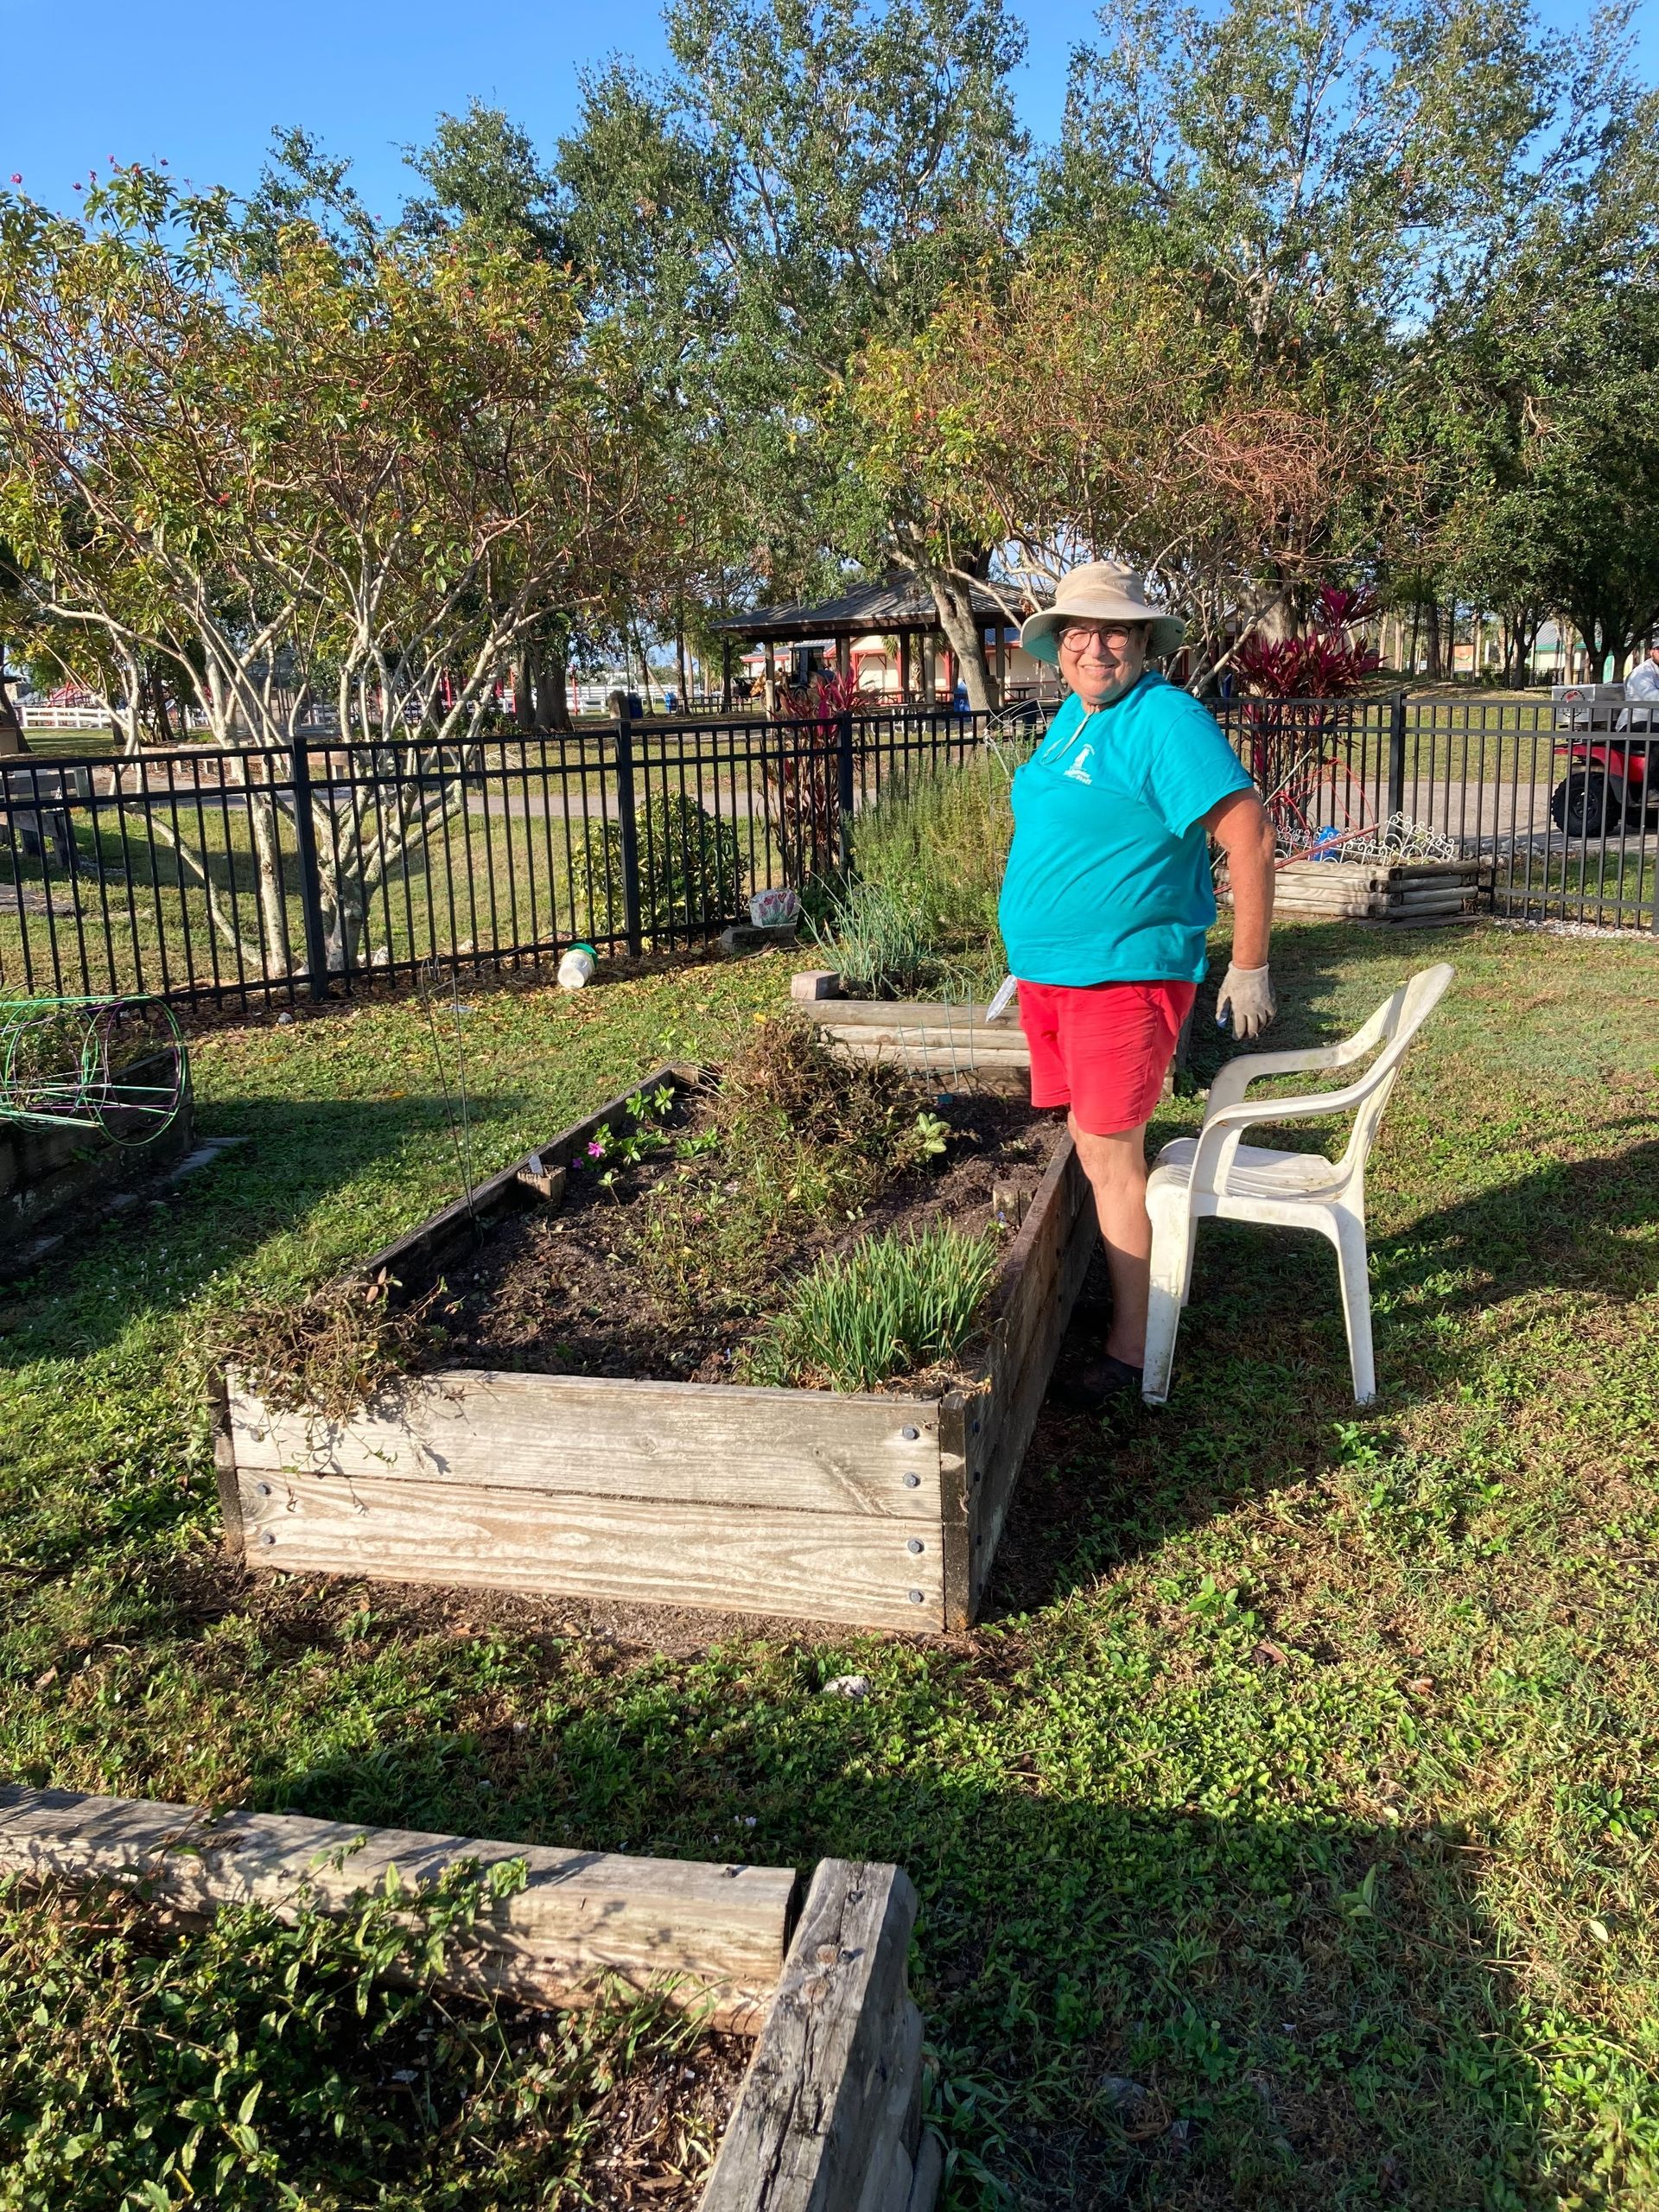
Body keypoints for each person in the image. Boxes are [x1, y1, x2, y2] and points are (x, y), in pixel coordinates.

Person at [1001, 561, 1277, 1406]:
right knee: (1092, 1146)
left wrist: (1250, 962)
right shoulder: (1075, 720)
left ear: (1145, 642)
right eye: (1077, 631)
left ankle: (1132, 1354)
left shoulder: (1164, 719)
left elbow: (1250, 836)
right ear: (1058, 646)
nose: (1094, 646)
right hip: (1056, 977)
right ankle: (1139, 1289)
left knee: (1112, 1156)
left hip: (1121, 978)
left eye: (1114, 630)